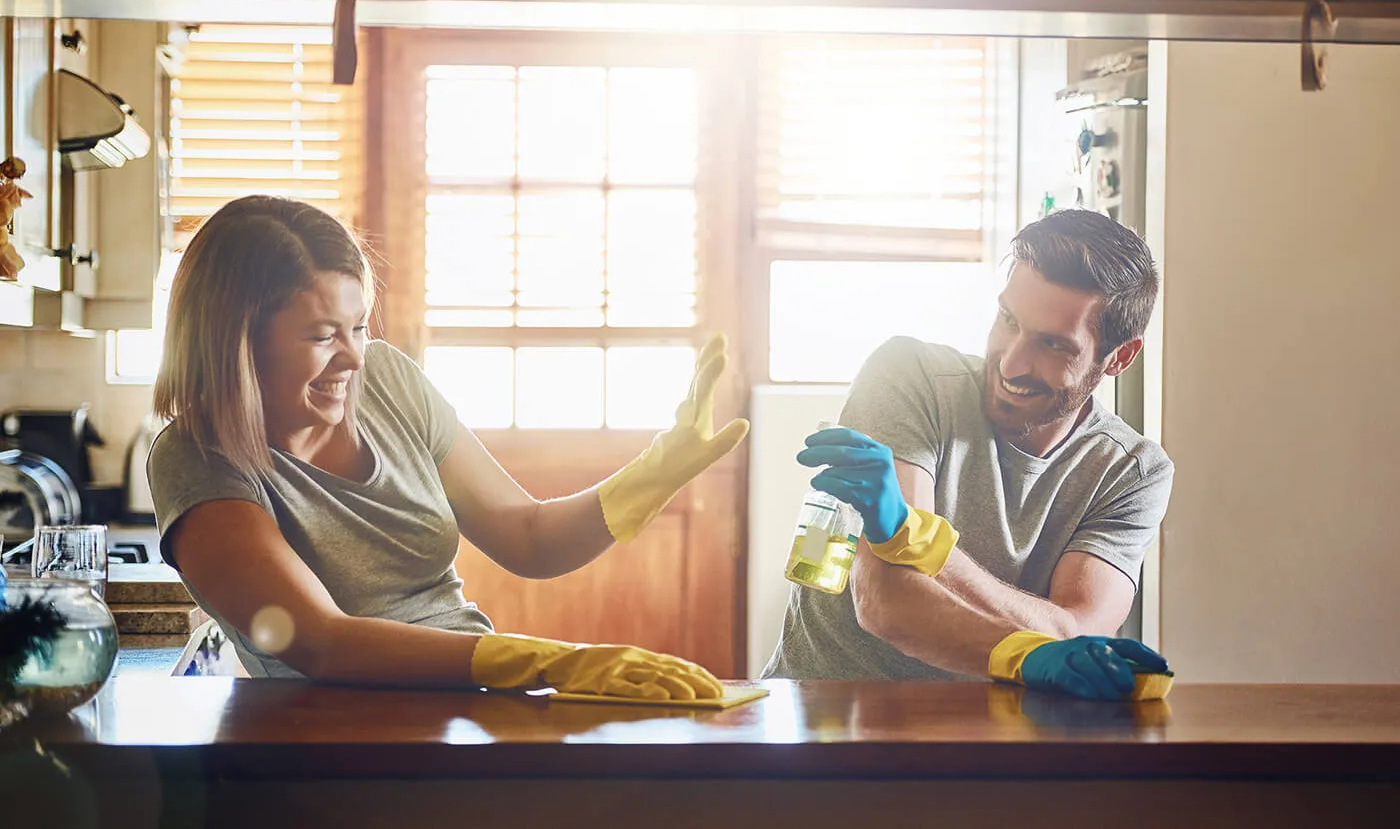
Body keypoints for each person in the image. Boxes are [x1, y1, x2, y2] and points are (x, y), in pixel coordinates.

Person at [148, 195, 748, 700]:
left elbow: (528, 537)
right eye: (322, 335)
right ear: (236, 343)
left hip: (472, 704)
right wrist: (548, 662)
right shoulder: (197, 458)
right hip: (333, 745)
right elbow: (321, 641)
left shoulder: (386, 379)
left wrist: (655, 473)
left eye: (359, 327)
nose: (354, 357)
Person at [762, 209, 1174, 701]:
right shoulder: (910, 378)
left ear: (1120, 358)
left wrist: (916, 539)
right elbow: (887, 603)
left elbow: (1074, 635)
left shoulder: (1130, 471)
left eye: (1051, 345)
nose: (1012, 362)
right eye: (1008, 320)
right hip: (825, 725)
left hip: (998, 744)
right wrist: (1029, 652)